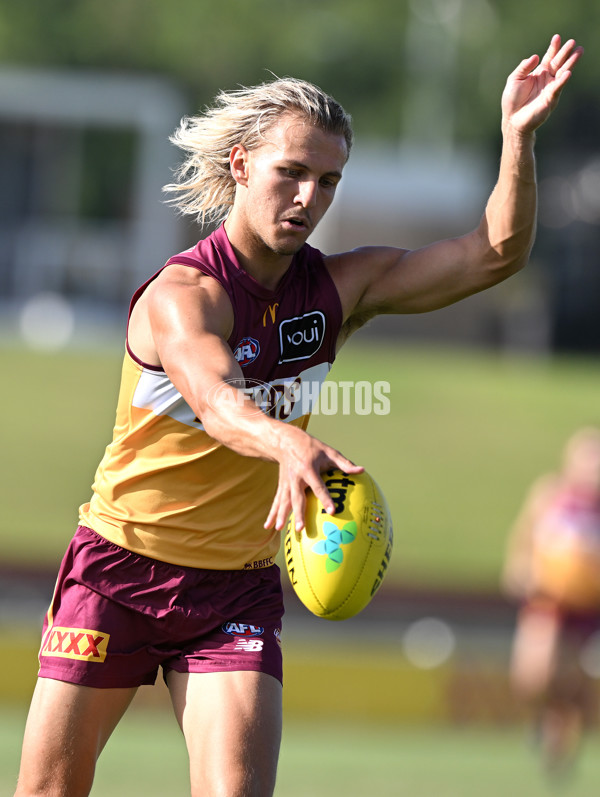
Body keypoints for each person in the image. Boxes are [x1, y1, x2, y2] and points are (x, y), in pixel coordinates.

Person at [15, 34, 582, 797]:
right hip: (120, 566)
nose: (309, 197)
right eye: (291, 173)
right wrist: (284, 440)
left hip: (235, 589)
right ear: (241, 166)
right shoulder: (185, 296)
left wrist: (517, 140)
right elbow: (216, 398)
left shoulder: (339, 289)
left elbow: (493, 255)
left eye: (328, 180)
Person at [503, 427, 600, 776]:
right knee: (530, 677)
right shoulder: (550, 494)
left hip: (587, 607)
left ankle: (561, 748)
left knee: (572, 683)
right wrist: (518, 568)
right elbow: (524, 535)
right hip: (547, 596)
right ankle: (542, 717)